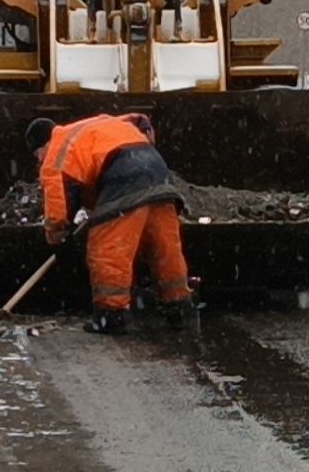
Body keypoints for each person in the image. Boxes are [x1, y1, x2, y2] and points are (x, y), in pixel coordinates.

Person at [27, 113, 195, 335]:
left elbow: (58, 208)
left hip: (124, 177)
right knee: (163, 247)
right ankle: (179, 307)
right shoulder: (89, 127)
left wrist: (56, 236)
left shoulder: (56, 152)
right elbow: (137, 120)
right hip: (157, 171)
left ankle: (111, 315)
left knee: (108, 248)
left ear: (44, 144)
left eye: (37, 155)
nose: (39, 160)